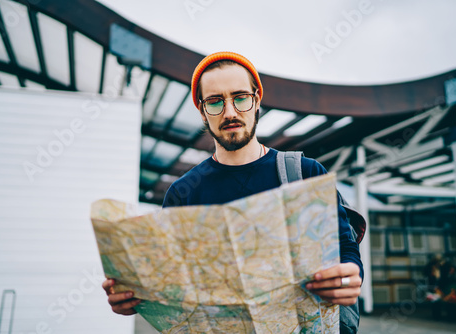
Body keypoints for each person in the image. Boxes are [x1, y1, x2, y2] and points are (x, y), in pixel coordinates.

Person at [102, 51, 363, 333]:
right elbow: (169, 282)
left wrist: (349, 278)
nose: (229, 112)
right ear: (202, 110)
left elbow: (344, 247)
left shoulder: (305, 173)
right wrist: (135, 296)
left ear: (256, 100)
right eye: (215, 101)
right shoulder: (182, 194)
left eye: (240, 97)